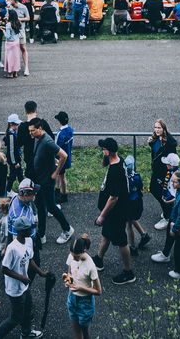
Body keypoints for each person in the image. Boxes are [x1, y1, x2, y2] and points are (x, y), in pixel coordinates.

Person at [93, 138, 137, 285]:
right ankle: (99, 259)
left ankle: (128, 272)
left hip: (116, 213)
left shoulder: (115, 171)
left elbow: (113, 198)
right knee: (106, 234)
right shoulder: (120, 161)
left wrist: (101, 216)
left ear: (108, 152)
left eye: (103, 149)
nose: (102, 152)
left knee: (122, 242)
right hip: (115, 212)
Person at [0, 224, 48, 339]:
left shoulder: (29, 241)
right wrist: (22, 278)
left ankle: (26, 332)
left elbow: (29, 259)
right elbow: (4, 269)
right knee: (16, 317)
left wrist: (40, 272)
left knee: (28, 308)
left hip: (24, 286)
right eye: (28, 229)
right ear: (21, 231)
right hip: (14, 289)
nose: (31, 230)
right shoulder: (12, 248)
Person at [63, 234, 101, 339]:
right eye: (72, 256)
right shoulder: (72, 256)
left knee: (85, 332)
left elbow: (98, 291)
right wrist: (68, 281)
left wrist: (81, 288)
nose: (74, 259)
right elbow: (69, 273)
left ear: (83, 250)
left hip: (85, 302)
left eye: (76, 257)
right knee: (76, 331)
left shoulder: (91, 266)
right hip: (72, 297)